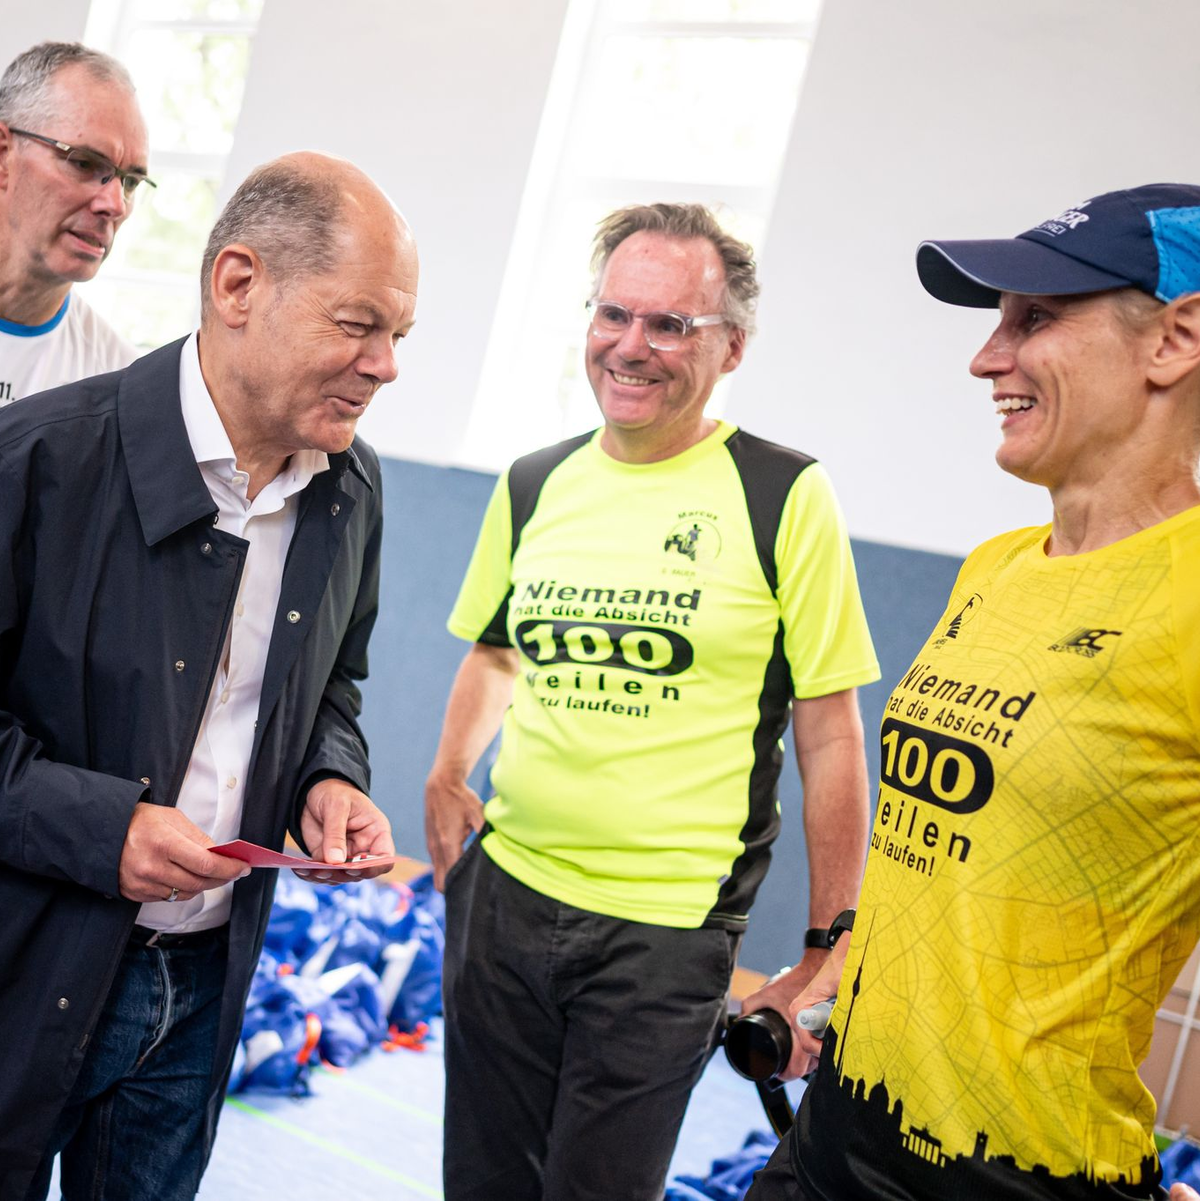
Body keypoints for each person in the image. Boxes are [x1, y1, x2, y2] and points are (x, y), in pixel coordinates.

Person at [747, 184, 1200, 1201]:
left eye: (1034, 319)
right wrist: (832, 973)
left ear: (1175, 339)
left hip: (1018, 1173)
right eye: (995, 322)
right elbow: (941, 854)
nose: (987, 357)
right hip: (841, 1132)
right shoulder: (995, 565)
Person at [425, 202, 880, 1201]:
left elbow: (830, 732)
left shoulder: (783, 494)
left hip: (665, 933)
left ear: (732, 348)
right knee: (483, 1184)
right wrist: (449, 769)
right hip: (503, 901)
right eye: (613, 314)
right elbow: (497, 653)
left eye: (669, 324)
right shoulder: (535, 483)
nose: (630, 345)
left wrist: (827, 936)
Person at [0, 150, 417, 1200]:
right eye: (358, 324)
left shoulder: (349, 488)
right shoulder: (37, 462)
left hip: (201, 984)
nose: (386, 366)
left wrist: (331, 778)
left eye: (399, 335)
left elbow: (333, 687)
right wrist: (106, 829)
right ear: (238, 285)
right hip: (24, 969)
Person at [0, 42, 147, 406]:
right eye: (83, 163)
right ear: (5, 155)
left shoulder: (117, 390)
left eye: (129, 182)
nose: (115, 204)